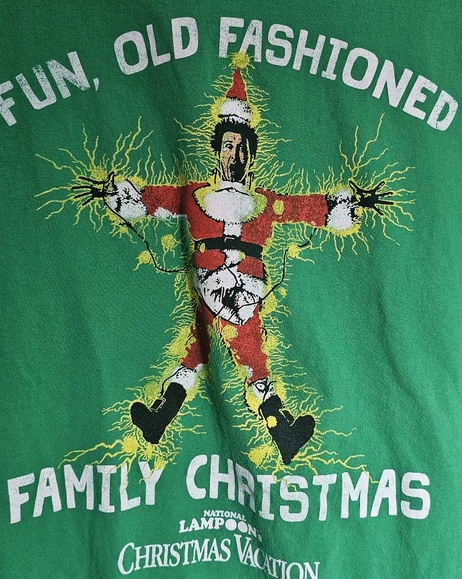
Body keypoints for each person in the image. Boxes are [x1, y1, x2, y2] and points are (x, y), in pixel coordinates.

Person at [73, 65, 394, 464]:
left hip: (244, 294)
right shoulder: (194, 196)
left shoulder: (266, 202)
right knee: (247, 362)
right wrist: (121, 195)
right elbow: (153, 200)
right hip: (212, 286)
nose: (235, 155)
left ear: (251, 153)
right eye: (228, 146)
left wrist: (345, 205)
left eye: (242, 148)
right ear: (217, 149)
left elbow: (306, 208)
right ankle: (280, 431)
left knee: (204, 354)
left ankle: (166, 419)